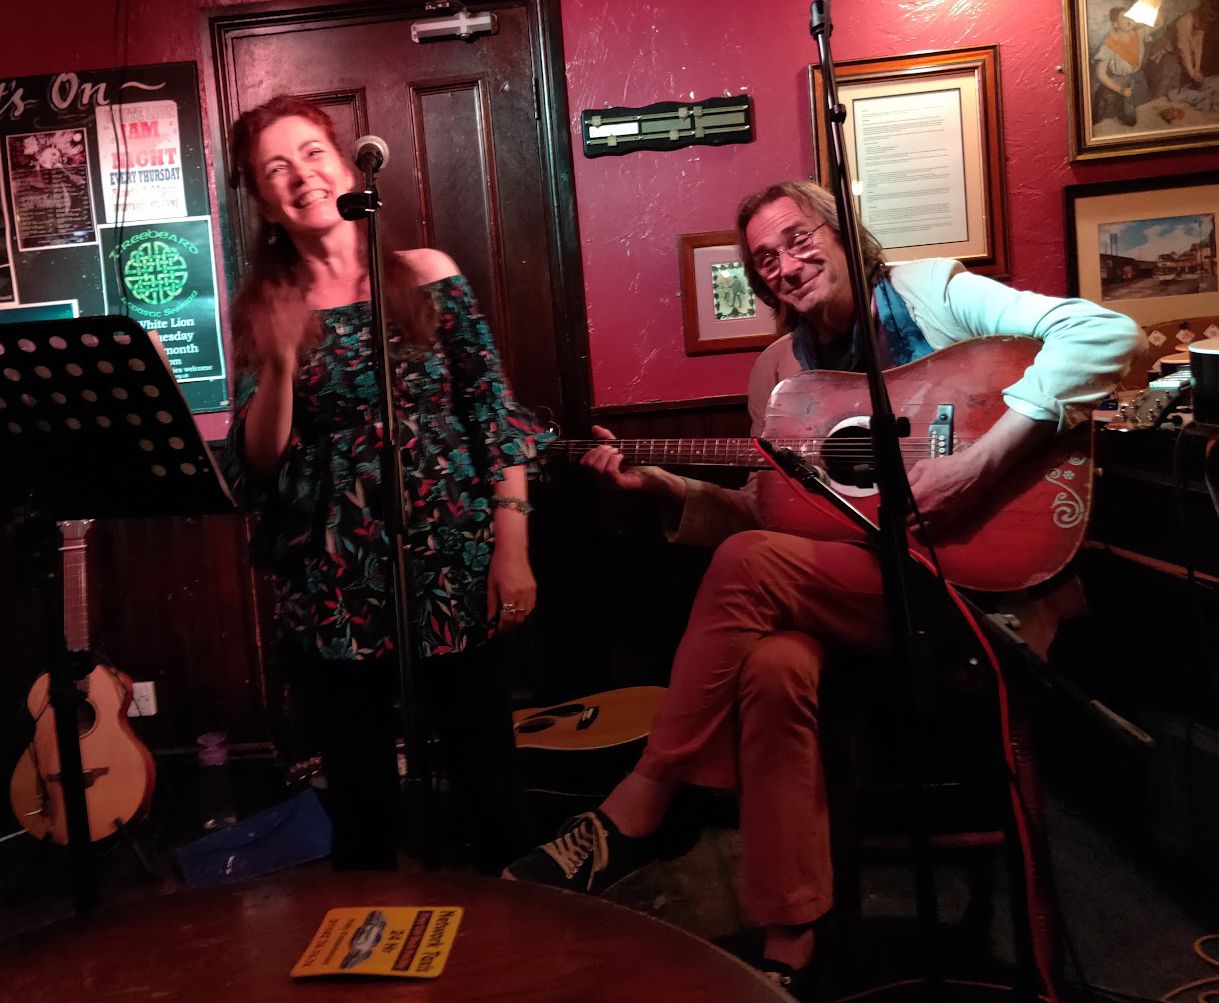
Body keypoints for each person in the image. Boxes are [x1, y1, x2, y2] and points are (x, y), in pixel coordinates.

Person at [504, 179, 1143, 988]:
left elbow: (1105, 331)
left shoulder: (933, 294)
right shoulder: (778, 371)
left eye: (799, 238)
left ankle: (648, 797)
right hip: (850, 594)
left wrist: (976, 462)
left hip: (963, 595)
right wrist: (661, 486)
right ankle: (789, 947)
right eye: (764, 258)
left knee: (750, 569)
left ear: (841, 232)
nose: (786, 264)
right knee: (773, 665)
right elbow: (764, 515)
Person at [221, 94, 551, 872]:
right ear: (263, 201)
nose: (300, 174)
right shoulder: (267, 306)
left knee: (488, 781)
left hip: (452, 561)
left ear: (345, 165)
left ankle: (520, 933)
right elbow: (261, 459)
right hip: (332, 580)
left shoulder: (429, 274)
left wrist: (512, 549)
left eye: (311, 153)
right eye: (275, 168)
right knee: (361, 804)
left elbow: (493, 414)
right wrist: (280, 363)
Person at [1093, 6, 1153, 126]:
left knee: (1143, 117)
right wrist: (1120, 90)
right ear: (1115, 24)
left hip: (1138, 82)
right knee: (1117, 122)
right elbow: (1100, 74)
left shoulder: (1138, 34)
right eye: (1124, 17)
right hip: (1117, 85)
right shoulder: (1109, 44)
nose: (1128, 19)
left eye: (1130, 16)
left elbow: (1158, 22)